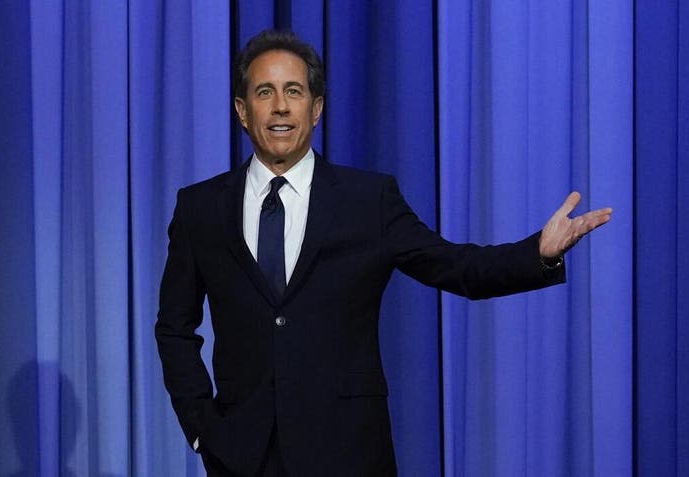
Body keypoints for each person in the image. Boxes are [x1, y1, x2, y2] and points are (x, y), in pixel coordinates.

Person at [155, 30, 612, 477]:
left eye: (294, 91)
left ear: (316, 109)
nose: (280, 106)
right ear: (242, 110)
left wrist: (538, 252)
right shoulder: (200, 208)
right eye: (264, 92)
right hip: (241, 457)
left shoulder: (368, 200)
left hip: (348, 452)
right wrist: (202, 429)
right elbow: (175, 327)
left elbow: (458, 267)